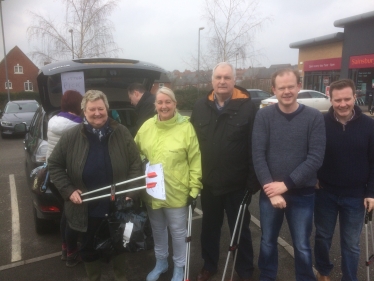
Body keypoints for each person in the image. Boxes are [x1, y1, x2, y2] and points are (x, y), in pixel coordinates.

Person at [48, 90, 143, 281]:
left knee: (119, 246)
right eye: (92, 109)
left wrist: (131, 192)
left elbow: (136, 164)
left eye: (101, 108)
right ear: (84, 110)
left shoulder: (121, 132)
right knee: (88, 250)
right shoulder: (71, 136)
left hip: (117, 206)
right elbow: (54, 164)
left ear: (107, 109)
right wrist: (68, 190)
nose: (97, 113)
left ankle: (120, 277)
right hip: (86, 208)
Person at [252, 68, 326, 281]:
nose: (286, 91)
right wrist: (271, 190)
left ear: (299, 87)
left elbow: (315, 158)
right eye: (281, 87)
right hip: (270, 193)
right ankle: (267, 276)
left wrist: (285, 185)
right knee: (267, 240)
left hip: (302, 194)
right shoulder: (263, 116)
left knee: (302, 245)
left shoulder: (313, 117)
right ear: (274, 89)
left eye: (290, 86)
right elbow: (258, 155)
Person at [190, 62, 260, 281]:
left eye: (226, 78)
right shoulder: (200, 106)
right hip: (209, 184)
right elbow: (191, 146)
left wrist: (252, 183)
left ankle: (245, 270)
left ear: (234, 80)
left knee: (241, 230)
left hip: (237, 185)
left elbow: (254, 146)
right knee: (209, 229)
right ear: (212, 81)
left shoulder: (249, 107)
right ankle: (209, 265)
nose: (222, 81)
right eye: (218, 77)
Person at [134, 86, 202, 281]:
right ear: (155, 105)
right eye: (160, 102)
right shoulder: (147, 126)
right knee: (157, 229)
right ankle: (161, 262)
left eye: (168, 102)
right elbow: (135, 150)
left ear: (175, 104)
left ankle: (179, 267)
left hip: (177, 192)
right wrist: (141, 161)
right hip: (153, 191)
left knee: (178, 232)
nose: (164, 106)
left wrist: (194, 188)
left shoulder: (186, 127)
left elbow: (195, 160)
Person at [314, 79, 374, 281]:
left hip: (355, 196)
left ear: (355, 98)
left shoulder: (369, 125)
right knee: (322, 237)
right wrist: (313, 176)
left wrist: (371, 193)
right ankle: (323, 272)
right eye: (337, 100)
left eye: (347, 99)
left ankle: (349, 277)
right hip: (325, 193)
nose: (342, 104)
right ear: (330, 99)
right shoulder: (320, 122)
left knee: (350, 244)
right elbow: (311, 153)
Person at [46, 90, 83, 267]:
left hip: (53, 176)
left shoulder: (53, 120)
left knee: (65, 215)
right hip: (67, 177)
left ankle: (64, 247)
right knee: (71, 216)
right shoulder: (77, 125)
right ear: (78, 105)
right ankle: (71, 252)